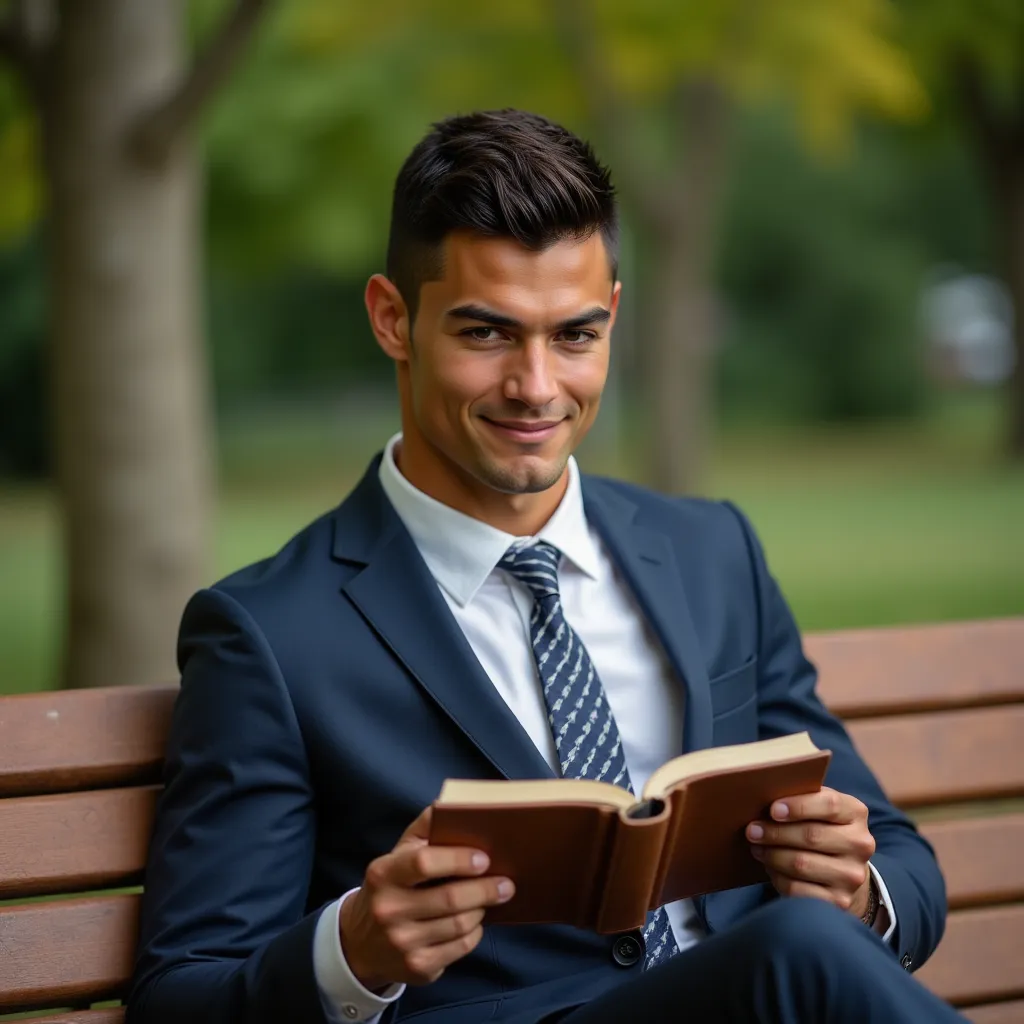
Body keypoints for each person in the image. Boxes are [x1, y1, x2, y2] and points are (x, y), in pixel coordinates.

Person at [127, 109, 960, 1024]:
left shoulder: (711, 552)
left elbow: (898, 858)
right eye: (486, 335)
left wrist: (857, 890)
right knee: (798, 953)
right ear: (392, 319)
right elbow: (182, 998)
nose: (536, 387)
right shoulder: (271, 635)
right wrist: (351, 952)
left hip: (760, 996)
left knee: (807, 943)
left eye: (574, 336)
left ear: (613, 318)